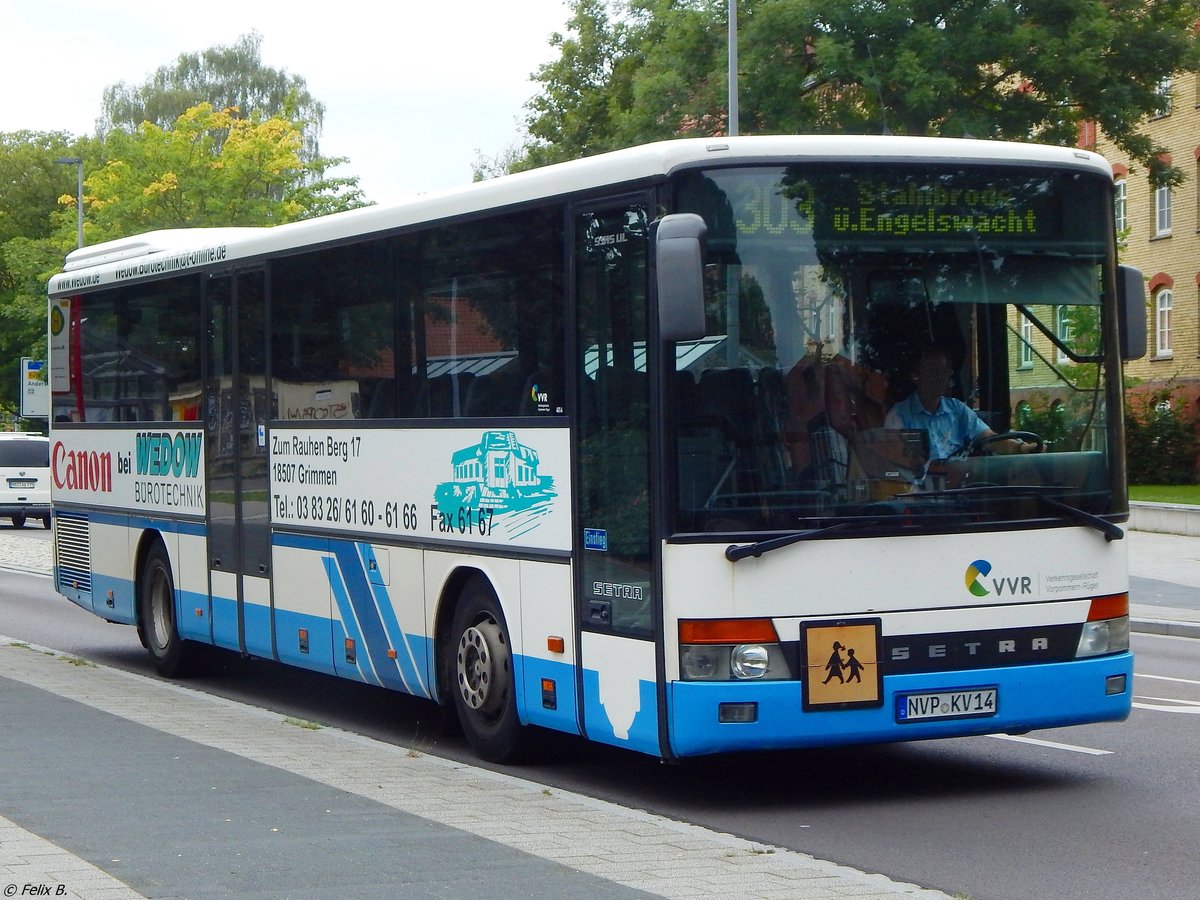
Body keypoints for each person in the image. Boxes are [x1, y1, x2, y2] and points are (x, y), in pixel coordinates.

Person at [884, 347, 1039, 461]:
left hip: (958, 493)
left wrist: (1021, 448)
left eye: (944, 372)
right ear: (915, 376)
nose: (940, 378)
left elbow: (991, 439)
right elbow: (895, 468)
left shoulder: (957, 410)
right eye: (932, 372)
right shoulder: (899, 417)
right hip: (920, 497)